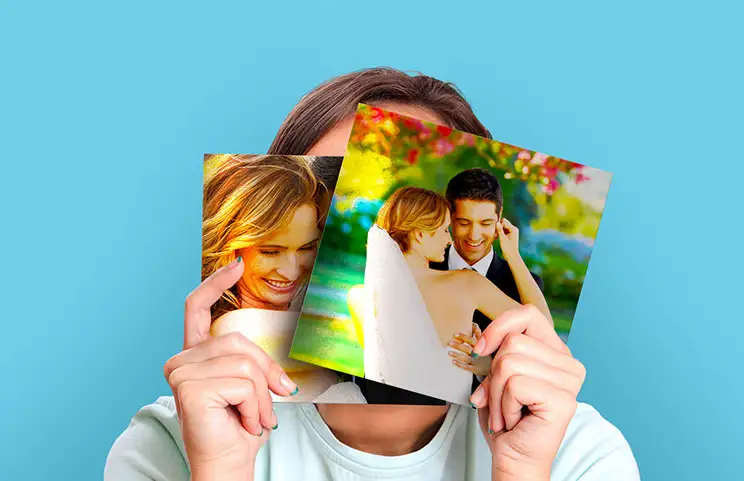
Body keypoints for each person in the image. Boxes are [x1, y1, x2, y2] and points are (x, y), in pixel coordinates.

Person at [104, 67, 640, 481]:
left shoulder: (577, 451)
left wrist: (522, 469)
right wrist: (219, 467)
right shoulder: (174, 441)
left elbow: (530, 326)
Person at [362, 186, 549, 405]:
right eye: (443, 230)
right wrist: (489, 365)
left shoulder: (375, 291)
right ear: (421, 235)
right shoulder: (466, 283)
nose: (449, 240)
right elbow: (542, 327)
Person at [201, 153, 365, 404]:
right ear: (229, 247)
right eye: (270, 252)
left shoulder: (303, 310)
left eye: (307, 247)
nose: (291, 271)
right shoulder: (235, 328)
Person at [435, 168, 546, 390]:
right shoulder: (426, 265)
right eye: (464, 223)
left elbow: (541, 347)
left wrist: (513, 256)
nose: (474, 236)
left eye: (485, 223)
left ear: (499, 217)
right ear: (449, 217)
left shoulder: (524, 285)